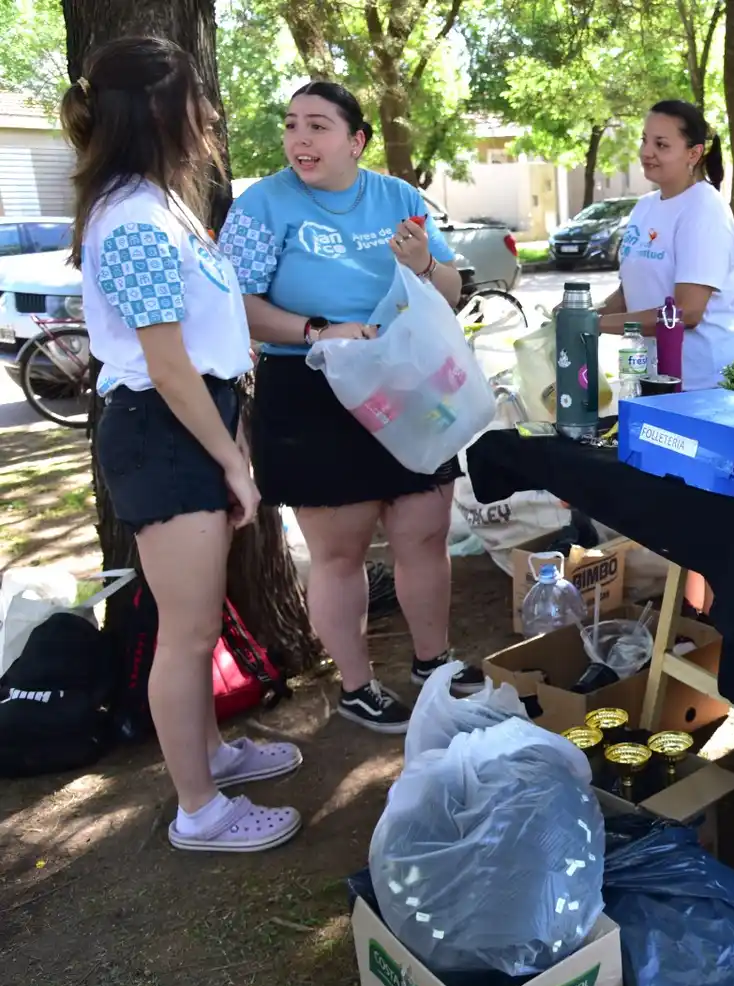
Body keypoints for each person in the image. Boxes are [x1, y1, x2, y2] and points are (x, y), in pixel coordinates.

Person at [63, 37, 301, 852]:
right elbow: (166, 363)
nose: (210, 114)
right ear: (161, 109)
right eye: (198, 97)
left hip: (194, 421)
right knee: (188, 632)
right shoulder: (130, 215)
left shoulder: (156, 200)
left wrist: (233, 440)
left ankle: (214, 754)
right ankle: (198, 810)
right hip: (166, 429)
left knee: (195, 618)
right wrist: (233, 460)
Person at [220, 81, 482, 735]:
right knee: (338, 552)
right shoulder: (262, 205)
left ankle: (433, 663)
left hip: (405, 378)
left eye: (317, 126)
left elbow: (451, 290)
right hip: (312, 387)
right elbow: (236, 303)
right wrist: (316, 329)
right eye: (291, 126)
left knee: (424, 530)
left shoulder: (396, 196)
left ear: (356, 140)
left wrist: (423, 262)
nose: (300, 140)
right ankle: (359, 684)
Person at [593, 101, 734, 391]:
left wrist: (595, 325)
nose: (646, 152)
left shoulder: (704, 209)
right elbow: (632, 292)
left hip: (705, 384)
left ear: (694, 153)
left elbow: (686, 312)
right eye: (645, 140)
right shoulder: (644, 207)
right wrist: (584, 314)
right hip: (653, 380)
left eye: (661, 144)